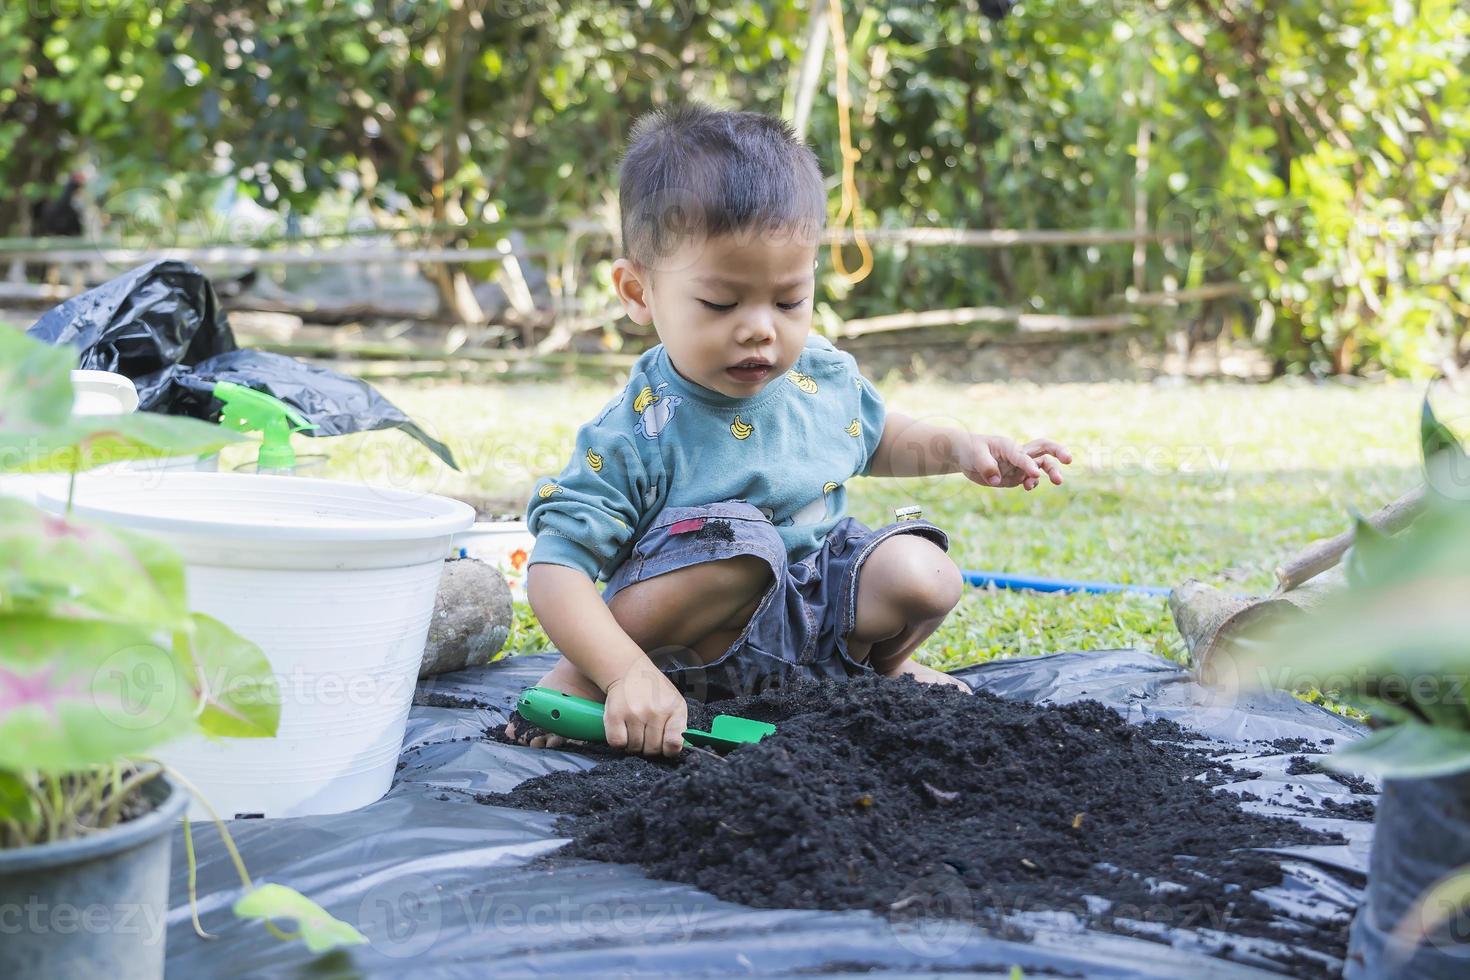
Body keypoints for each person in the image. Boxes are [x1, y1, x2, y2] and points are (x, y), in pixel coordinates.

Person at [508, 103, 1070, 757]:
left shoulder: (819, 377)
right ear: (638, 292)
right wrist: (621, 668)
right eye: (721, 303)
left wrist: (959, 447)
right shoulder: (639, 429)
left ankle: (871, 671)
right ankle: (587, 680)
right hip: (688, 641)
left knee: (928, 575)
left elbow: (875, 436)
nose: (760, 328)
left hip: (805, 627)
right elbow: (555, 567)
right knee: (744, 545)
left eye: (788, 300)